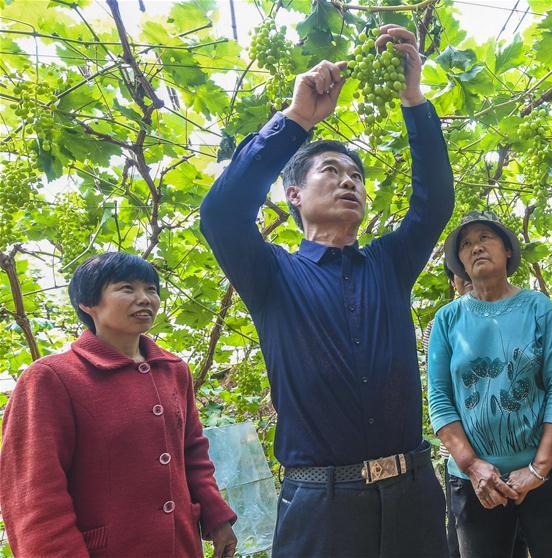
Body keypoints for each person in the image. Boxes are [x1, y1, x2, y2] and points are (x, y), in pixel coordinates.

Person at [200, 24, 453, 558]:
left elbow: (433, 205)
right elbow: (222, 212)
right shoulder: (271, 275)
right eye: (332, 172)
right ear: (293, 194)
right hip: (322, 506)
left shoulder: (387, 264)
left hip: (414, 496)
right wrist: (297, 121)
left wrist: (414, 99)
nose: (349, 183)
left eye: (357, 177)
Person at [0, 252, 237, 558]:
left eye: (151, 289)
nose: (145, 299)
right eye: (127, 288)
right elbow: (34, 496)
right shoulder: (50, 378)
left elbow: (192, 451)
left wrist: (216, 517)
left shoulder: (173, 369)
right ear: (88, 303)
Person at [428, 211, 552, 558]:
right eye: (466, 244)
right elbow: (439, 397)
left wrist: (538, 469)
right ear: (460, 261)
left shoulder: (537, 308)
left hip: (545, 479)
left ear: (508, 250)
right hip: (474, 482)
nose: (476, 248)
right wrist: (473, 465)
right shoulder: (448, 319)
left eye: (485, 238)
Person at [423, 262, 528, 558]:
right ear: (453, 282)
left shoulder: (519, 311)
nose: (469, 280)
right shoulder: (443, 323)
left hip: (516, 458)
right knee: (465, 542)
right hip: (462, 463)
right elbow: (440, 391)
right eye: (461, 276)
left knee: (516, 538)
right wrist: (467, 460)